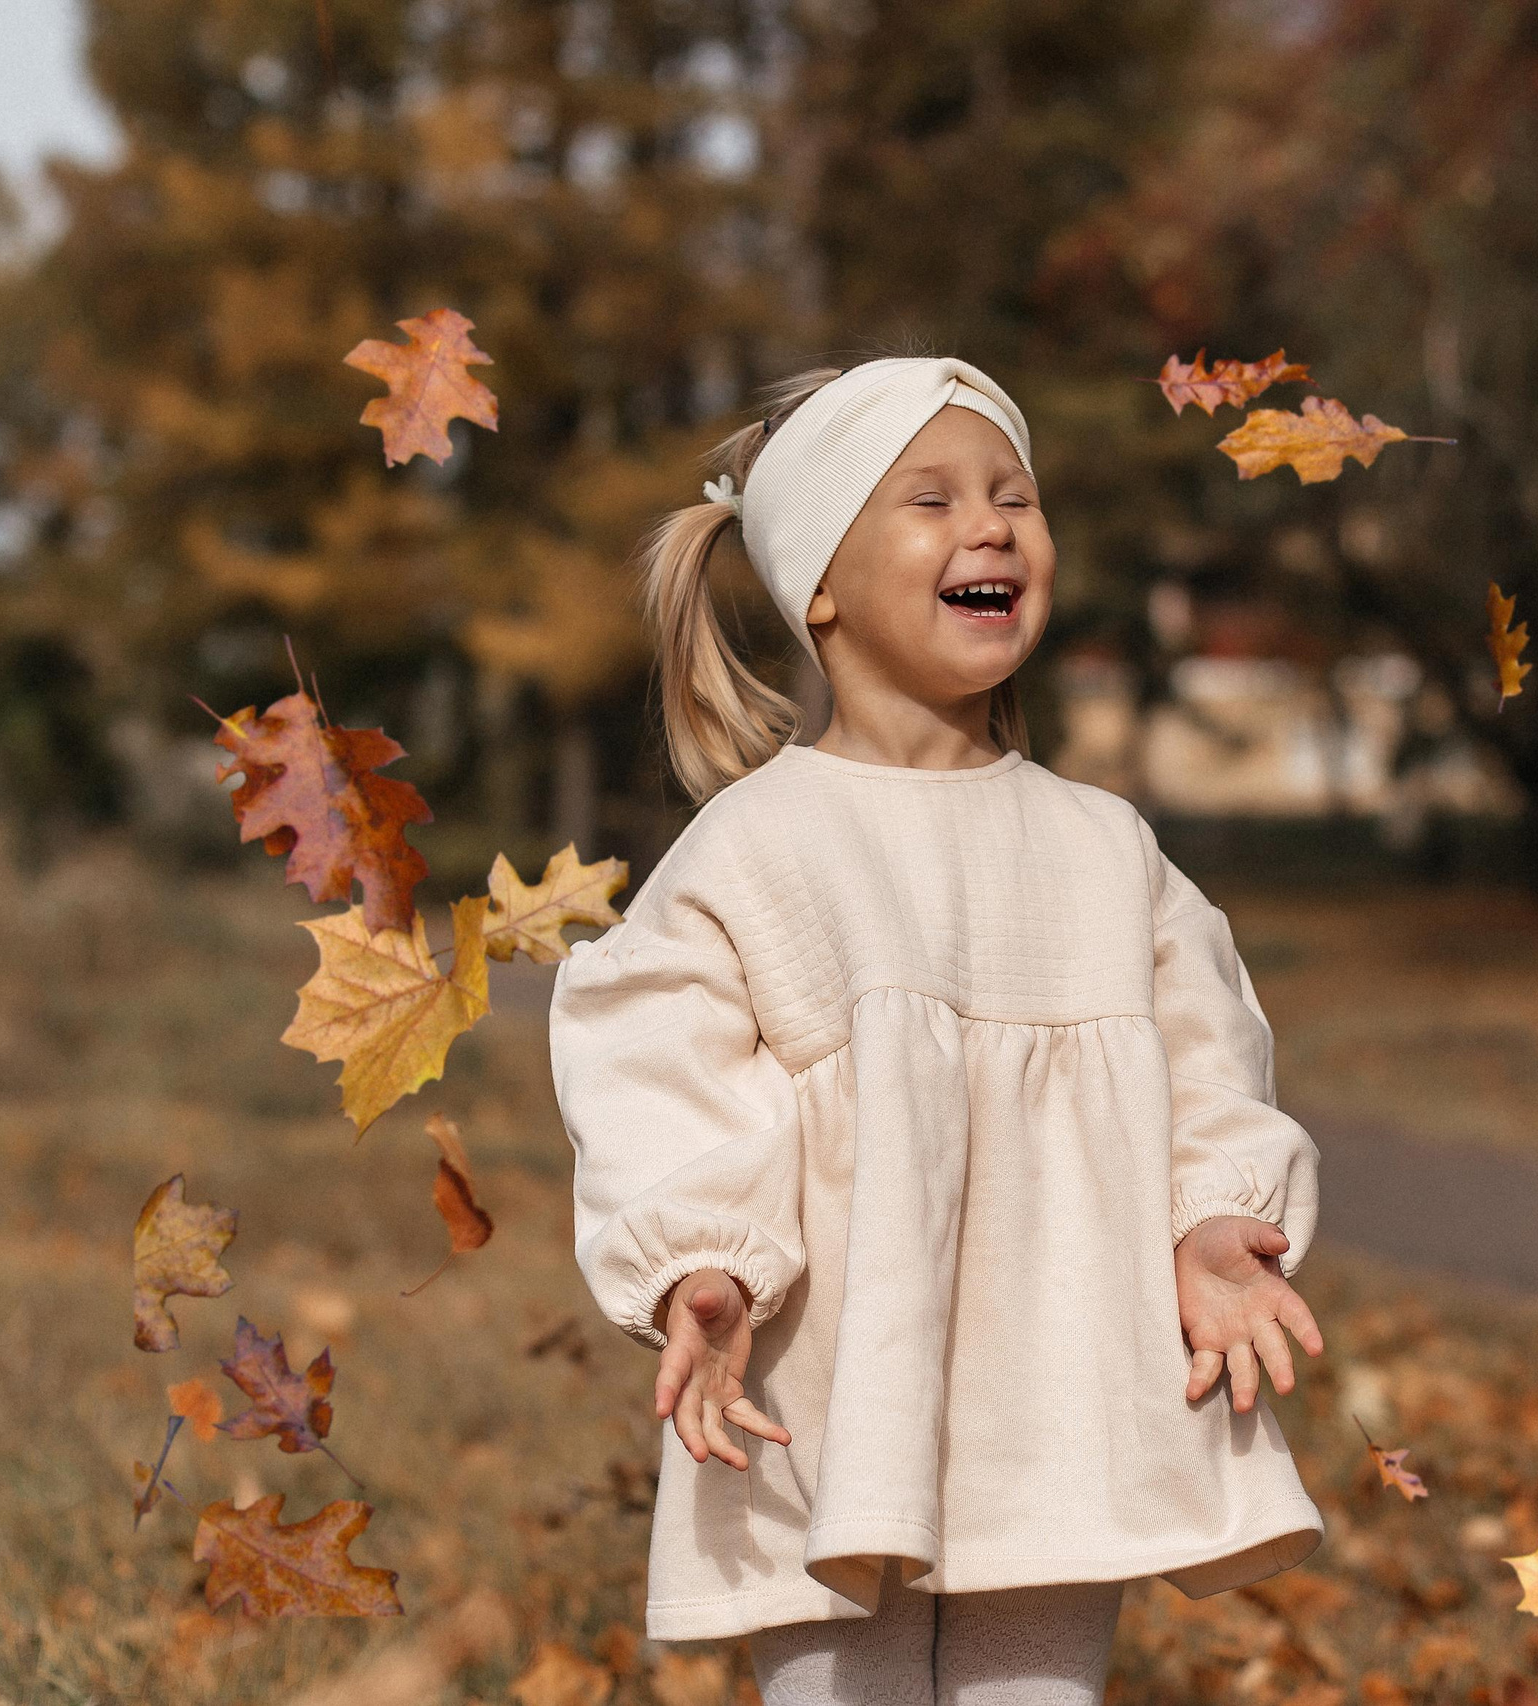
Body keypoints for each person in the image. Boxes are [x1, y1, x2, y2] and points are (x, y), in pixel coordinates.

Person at [548, 355, 1326, 1705]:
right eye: (933, 497)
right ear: (822, 588)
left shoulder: (1102, 846)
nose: (994, 525)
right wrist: (704, 1263)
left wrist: (1209, 1220)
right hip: (832, 1391)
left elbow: (1208, 1054)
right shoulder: (759, 843)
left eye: (1015, 495)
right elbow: (654, 1060)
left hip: (1060, 1376)